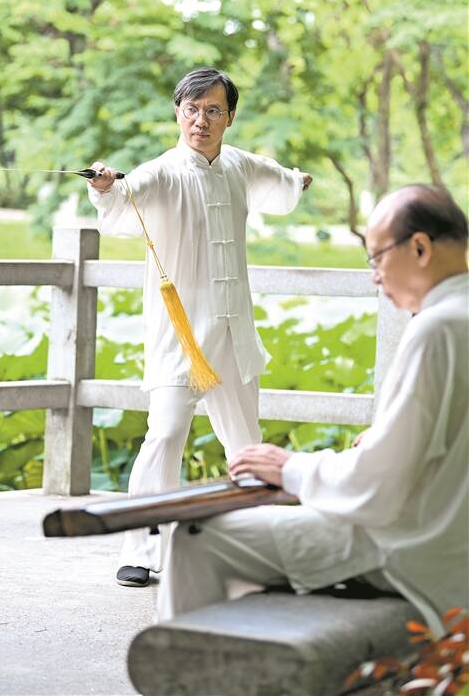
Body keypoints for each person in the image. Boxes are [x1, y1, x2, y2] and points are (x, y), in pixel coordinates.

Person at [158, 184, 469, 637]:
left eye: (376, 258)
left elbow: (377, 485)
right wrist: (386, 438)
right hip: (452, 538)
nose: (375, 277)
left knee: (199, 537)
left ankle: (193, 669)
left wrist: (289, 467)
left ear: (419, 247)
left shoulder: (437, 328)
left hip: (413, 546)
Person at [87, 67, 312, 587]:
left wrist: (297, 181)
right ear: (178, 112)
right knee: (165, 434)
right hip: (181, 336)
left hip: (234, 334)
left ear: (229, 117)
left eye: (213, 110)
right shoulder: (162, 172)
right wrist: (104, 187)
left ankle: (257, 548)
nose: (200, 121)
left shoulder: (239, 164)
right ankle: (141, 550)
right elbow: (122, 197)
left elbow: (278, 180)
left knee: (246, 444)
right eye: (191, 109)